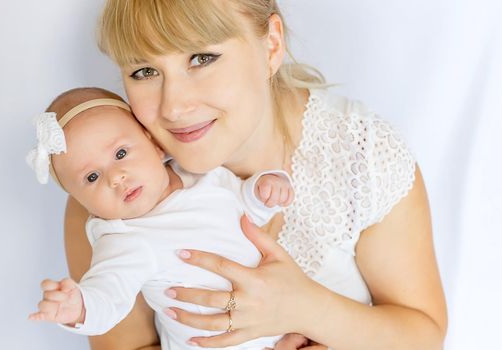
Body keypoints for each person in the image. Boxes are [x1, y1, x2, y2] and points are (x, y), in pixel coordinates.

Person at [64, 1, 448, 349]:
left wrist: (307, 309)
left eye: (202, 58)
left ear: (272, 46)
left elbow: (424, 336)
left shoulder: (360, 155)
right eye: (145, 70)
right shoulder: (113, 192)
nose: (175, 106)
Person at [27, 87, 294, 349]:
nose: (115, 177)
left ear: (153, 145)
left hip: (276, 324)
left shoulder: (203, 175)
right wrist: (81, 307)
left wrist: (262, 192)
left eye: (121, 153)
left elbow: (244, 211)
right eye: (92, 177)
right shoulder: (125, 239)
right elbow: (109, 293)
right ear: (84, 204)